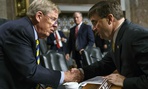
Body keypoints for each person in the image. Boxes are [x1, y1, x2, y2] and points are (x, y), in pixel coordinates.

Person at [0, 0, 81, 89]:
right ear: (39, 16)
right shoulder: (21, 30)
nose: (55, 25)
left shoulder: (30, 32)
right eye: (53, 19)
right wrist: (65, 76)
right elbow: (30, 71)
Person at [72, 1, 148, 89]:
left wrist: (124, 81)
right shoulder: (119, 35)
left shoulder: (137, 36)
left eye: (94, 22)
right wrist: (81, 72)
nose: (93, 28)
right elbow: (105, 64)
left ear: (109, 19)